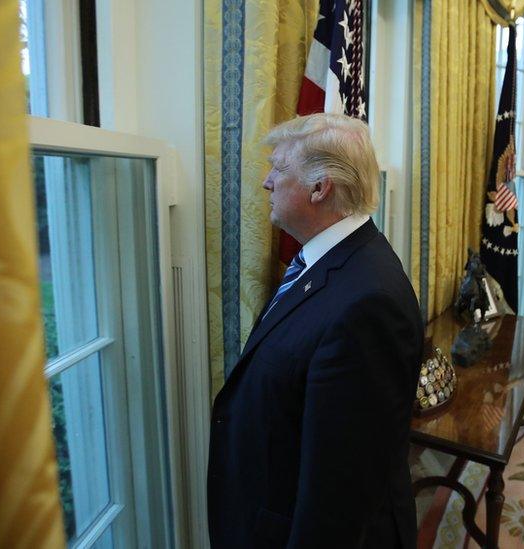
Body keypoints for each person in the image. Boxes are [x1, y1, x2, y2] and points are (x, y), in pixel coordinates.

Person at [207, 113, 424, 548]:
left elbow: (340, 492)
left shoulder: (368, 301)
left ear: (320, 187)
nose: (267, 181)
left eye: (279, 169)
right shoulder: (323, 259)